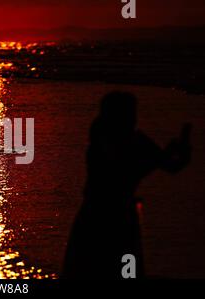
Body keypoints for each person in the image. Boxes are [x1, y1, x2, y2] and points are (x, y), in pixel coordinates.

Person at [62, 91, 191, 279]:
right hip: (101, 215)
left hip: (114, 216)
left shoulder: (134, 140)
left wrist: (182, 152)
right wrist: (161, 158)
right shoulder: (103, 141)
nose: (133, 118)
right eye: (129, 113)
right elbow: (122, 173)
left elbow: (171, 166)